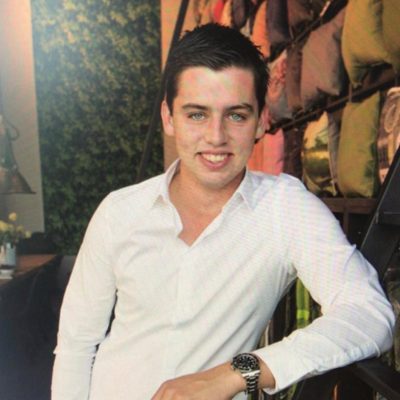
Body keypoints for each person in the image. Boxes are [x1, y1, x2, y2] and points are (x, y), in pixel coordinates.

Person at [52, 23, 394, 400]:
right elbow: (76, 346)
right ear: (169, 117)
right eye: (197, 115)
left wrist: (236, 373)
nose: (216, 137)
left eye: (236, 115)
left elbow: (369, 315)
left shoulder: (284, 208)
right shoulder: (119, 211)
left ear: (261, 120)